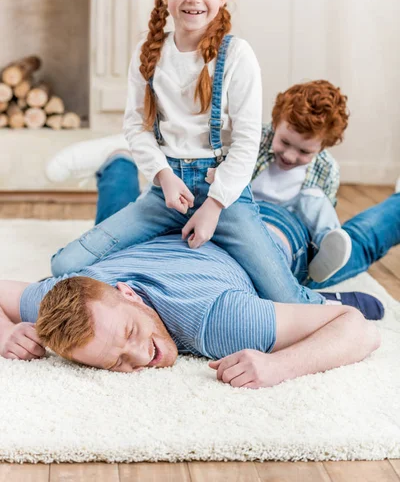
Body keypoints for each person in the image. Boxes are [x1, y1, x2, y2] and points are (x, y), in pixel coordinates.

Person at [47, 0, 328, 307]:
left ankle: (333, 305)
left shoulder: (238, 56)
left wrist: (213, 206)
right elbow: (136, 126)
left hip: (225, 198)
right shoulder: (148, 53)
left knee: (283, 297)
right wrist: (163, 176)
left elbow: (246, 143)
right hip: (167, 193)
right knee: (66, 264)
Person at [1, 152, 390, 389]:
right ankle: (118, 162)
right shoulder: (63, 304)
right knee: (109, 228)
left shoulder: (222, 321)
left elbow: (358, 328)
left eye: (131, 332)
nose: (139, 356)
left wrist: (278, 366)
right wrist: (6, 334)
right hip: (165, 228)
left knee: (346, 247)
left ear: (128, 293)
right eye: (114, 363)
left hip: (266, 224)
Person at [252, 79, 351, 283]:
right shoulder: (255, 140)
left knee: (315, 198)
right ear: (275, 123)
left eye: (304, 151)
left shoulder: (327, 168)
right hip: (249, 207)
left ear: (323, 146)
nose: (289, 155)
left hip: (291, 219)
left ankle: (326, 245)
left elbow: (320, 211)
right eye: (285, 142)